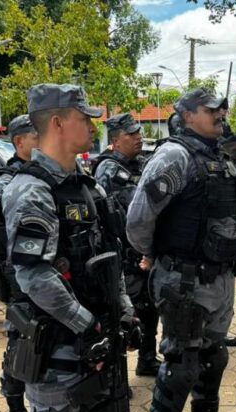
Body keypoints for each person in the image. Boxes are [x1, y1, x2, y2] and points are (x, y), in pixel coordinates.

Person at [2, 83, 135, 412]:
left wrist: (124, 310)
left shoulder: (91, 188)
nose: (94, 127)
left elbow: (112, 255)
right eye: (85, 119)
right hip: (57, 345)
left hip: (98, 337)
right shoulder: (31, 190)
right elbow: (34, 274)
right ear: (58, 123)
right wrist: (85, 323)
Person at [126, 88, 236, 412]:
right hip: (184, 281)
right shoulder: (174, 156)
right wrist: (155, 254)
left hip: (220, 277)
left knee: (214, 358)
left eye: (222, 109)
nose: (221, 115)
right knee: (181, 367)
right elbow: (137, 221)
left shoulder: (221, 157)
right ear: (188, 115)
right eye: (211, 110)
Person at [93, 112, 162, 377]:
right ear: (115, 140)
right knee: (124, 315)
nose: (138, 137)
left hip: (142, 252)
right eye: (131, 134)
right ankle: (117, 373)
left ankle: (147, 359)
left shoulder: (140, 165)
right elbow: (118, 217)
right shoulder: (109, 170)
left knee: (149, 309)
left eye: (138, 133)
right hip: (123, 255)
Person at [0, 114, 37, 412]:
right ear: (20, 142)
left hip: (45, 276)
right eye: (37, 136)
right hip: (18, 278)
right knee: (21, 346)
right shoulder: (5, 183)